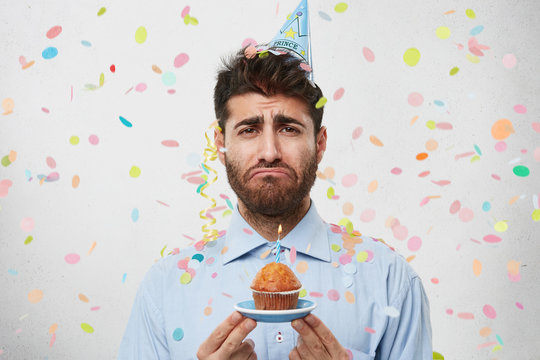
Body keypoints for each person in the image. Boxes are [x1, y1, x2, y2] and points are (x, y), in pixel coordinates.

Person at [118, 47, 432, 359]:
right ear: (221, 145)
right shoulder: (164, 288)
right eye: (249, 129)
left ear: (319, 144)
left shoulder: (391, 281)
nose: (270, 151)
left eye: (289, 128)